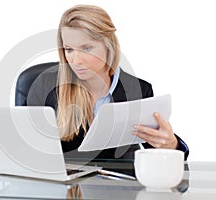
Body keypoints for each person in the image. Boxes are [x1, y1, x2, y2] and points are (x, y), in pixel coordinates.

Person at [26, 4, 189, 160]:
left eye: (86, 48)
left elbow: (156, 151)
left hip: (117, 186)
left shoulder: (138, 90)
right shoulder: (46, 86)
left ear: (108, 45)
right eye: (69, 49)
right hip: (63, 186)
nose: (76, 60)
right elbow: (26, 149)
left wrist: (171, 145)